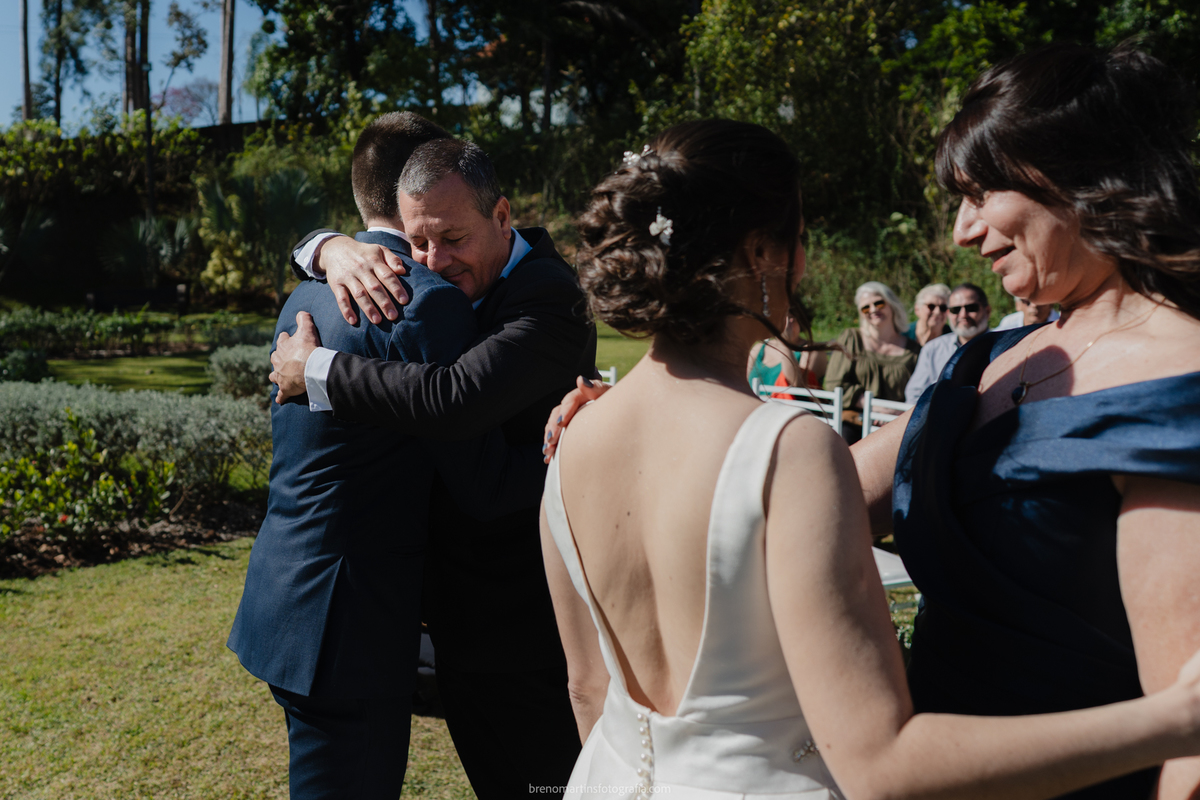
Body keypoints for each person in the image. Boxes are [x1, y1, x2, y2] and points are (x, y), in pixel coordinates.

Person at [538, 118, 1200, 800]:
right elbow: (880, 767)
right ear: (763, 251)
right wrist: (1175, 720)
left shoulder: (573, 439)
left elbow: (587, 689)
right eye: (800, 240)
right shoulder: (788, 450)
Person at [851, 43, 1200, 799]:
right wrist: (663, 413)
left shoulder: (1179, 383)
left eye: (981, 194)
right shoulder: (989, 358)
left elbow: (1191, 741)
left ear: (1078, 173)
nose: (961, 233)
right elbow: (820, 491)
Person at [228, 113, 546, 799]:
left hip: (289, 594)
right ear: (414, 185)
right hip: (350, 623)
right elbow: (483, 479)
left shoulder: (309, 289)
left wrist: (323, 246)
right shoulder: (423, 302)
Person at [824, 281, 919, 439]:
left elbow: (919, 392)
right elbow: (834, 383)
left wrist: (894, 412)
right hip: (854, 421)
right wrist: (874, 407)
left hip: (895, 424)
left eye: (879, 303)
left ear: (892, 305)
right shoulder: (851, 339)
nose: (873, 310)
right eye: (866, 307)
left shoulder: (913, 351)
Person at [902, 282, 990, 403]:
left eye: (971, 308)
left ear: (987, 311)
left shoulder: (1005, 345)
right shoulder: (933, 349)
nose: (963, 315)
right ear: (949, 314)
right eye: (956, 309)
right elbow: (914, 394)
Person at [746, 313, 829, 394]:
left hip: (791, 407)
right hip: (755, 405)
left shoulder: (812, 351)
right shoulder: (758, 348)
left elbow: (798, 388)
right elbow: (742, 382)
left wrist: (784, 342)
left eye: (790, 317)